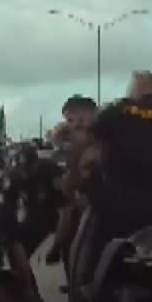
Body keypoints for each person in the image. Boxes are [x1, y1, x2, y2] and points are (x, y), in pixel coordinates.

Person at [78, 71, 152, 291]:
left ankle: (88, 285)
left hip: (118, 205)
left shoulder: (119, 111)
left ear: (135, 89)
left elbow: (89, 138)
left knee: (97, 237)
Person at [46, 96, 100, 268]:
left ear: (82, 117)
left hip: (92, 202)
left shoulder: (94, 138)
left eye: (70, 119)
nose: (67, 124)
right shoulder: (85, 137)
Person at [3, 143, 65, 256]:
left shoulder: (49, 169)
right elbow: (9, 208)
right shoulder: (14, 176)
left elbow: (65, 207)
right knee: (16, 246)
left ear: (36, 163)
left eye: (29, 167)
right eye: (22, 168)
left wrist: (57, 245)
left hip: (55, 213)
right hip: (34, 215)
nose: (26, 172)